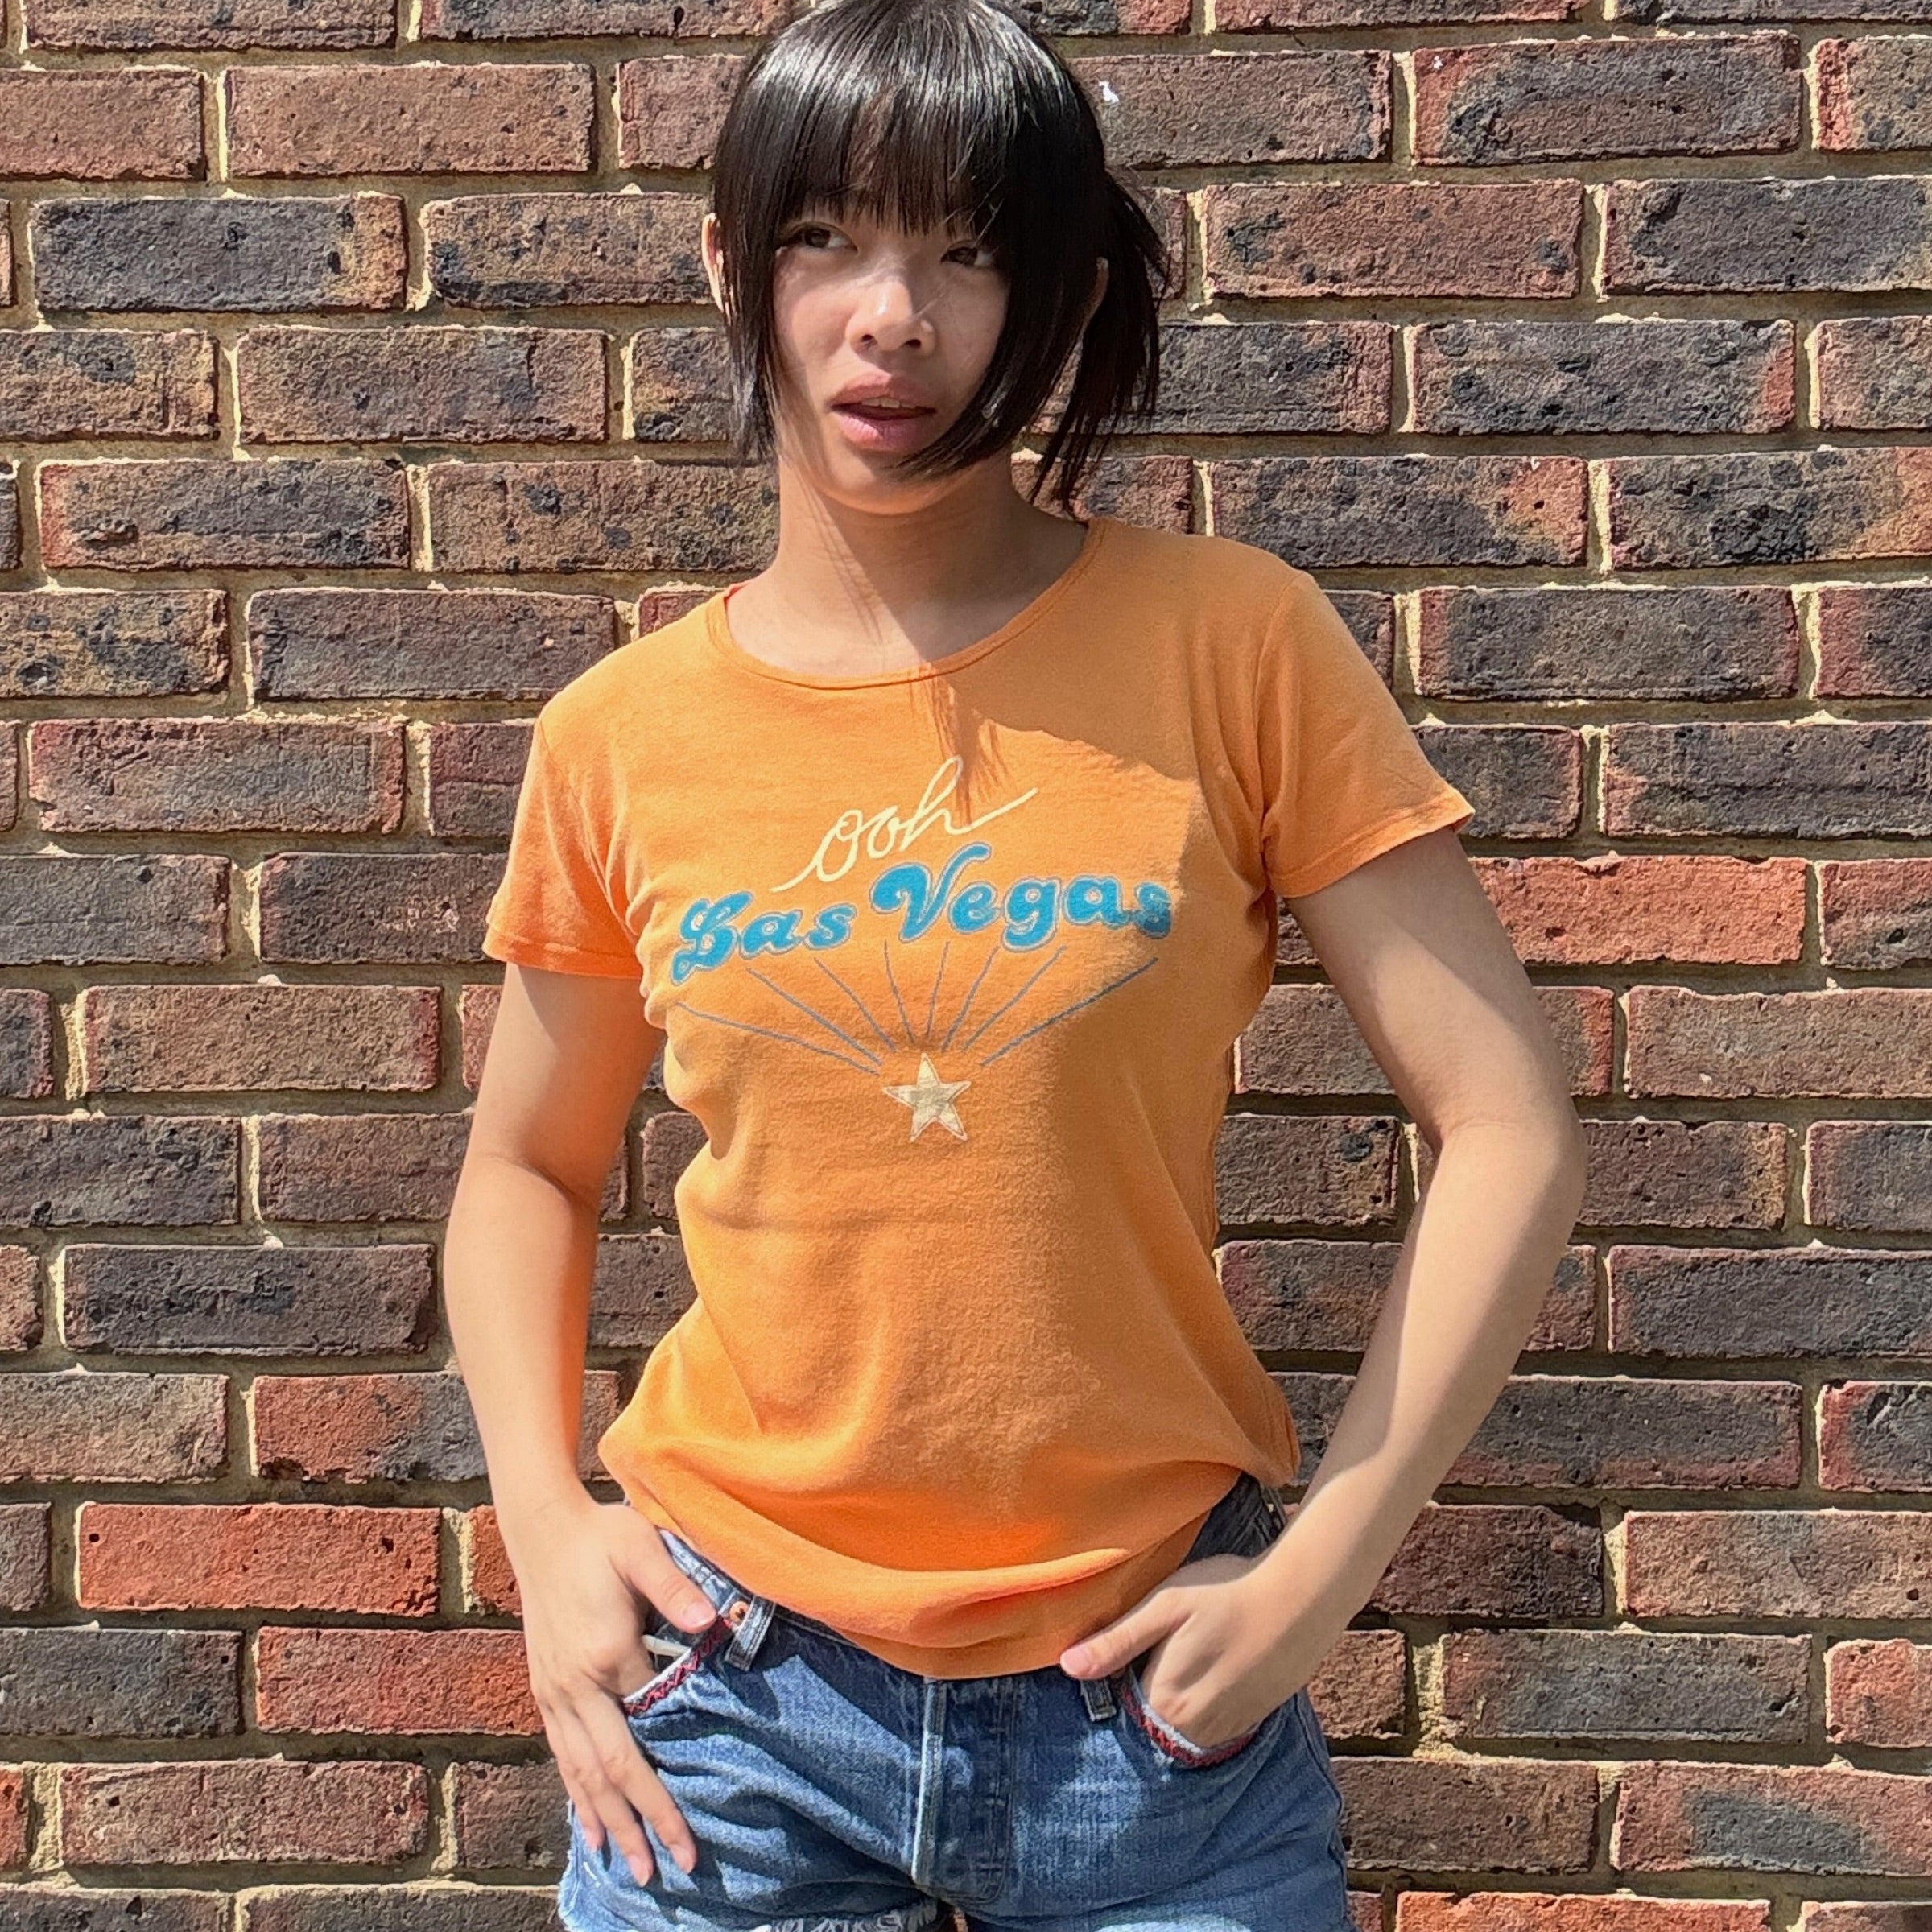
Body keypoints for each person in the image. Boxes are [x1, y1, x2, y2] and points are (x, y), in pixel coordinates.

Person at [444, 0, 1588, 1925]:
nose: (892, 318)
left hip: (1153, 1711)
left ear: (1049, 291)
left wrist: (1323, 1578)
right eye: (826, 238)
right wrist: (547, 1534)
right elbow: (526, 1167)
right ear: (730, 263)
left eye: (967, 251)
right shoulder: (620, 737)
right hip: (732, 1694)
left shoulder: (1230, 642)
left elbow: (1511, 1126)